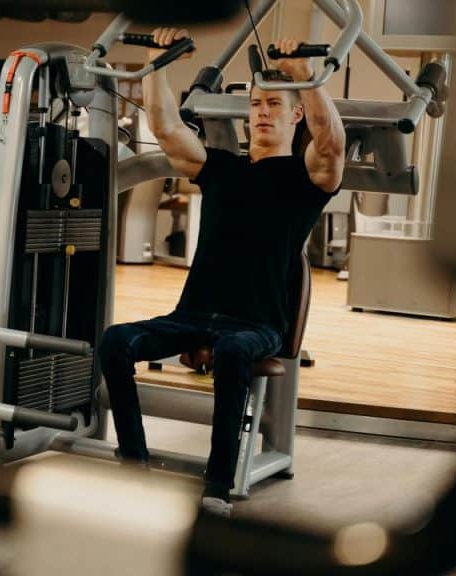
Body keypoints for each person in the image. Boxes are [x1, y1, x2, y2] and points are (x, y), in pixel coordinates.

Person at [98, 29, 345, 516]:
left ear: (296, 115)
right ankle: (135, 467)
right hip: (192, 314)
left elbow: (332, 142)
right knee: (114, 341)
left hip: (257, 325)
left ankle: (216, 486)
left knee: (232, 350)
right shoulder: (222, 169)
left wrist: (304, 77)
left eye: (275, 104)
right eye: (257, 104)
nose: (262, 112)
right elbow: (168, 129)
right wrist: (155, 61)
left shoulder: (307, 178)